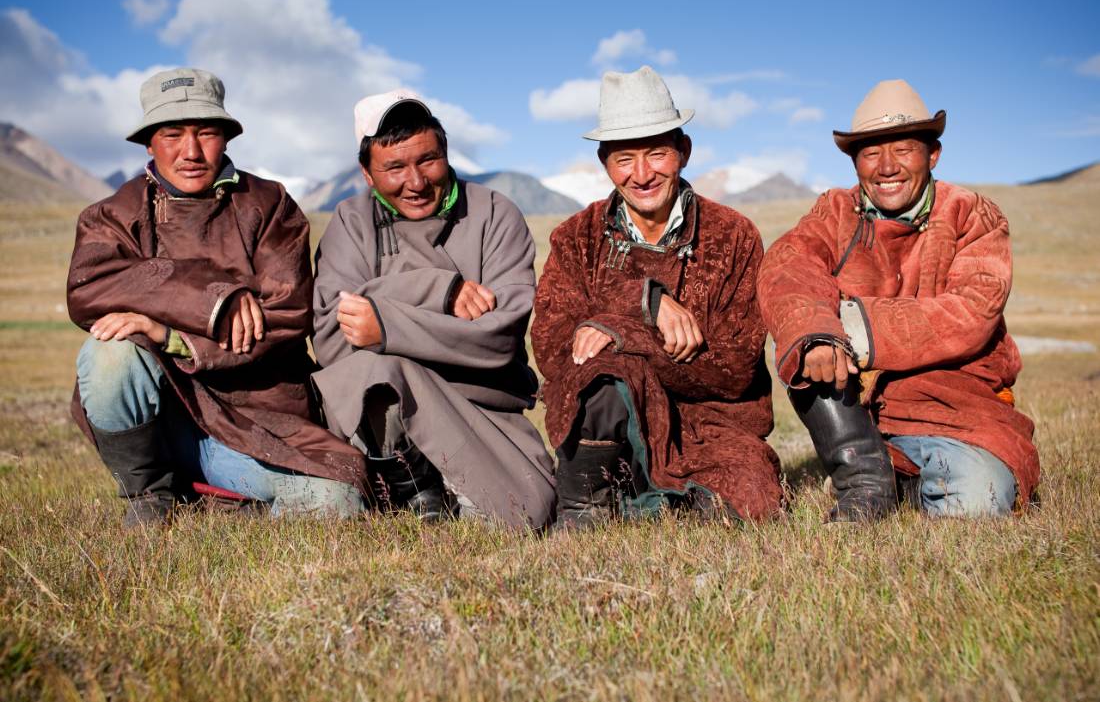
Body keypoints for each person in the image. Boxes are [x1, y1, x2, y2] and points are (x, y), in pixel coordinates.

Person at [67, 68, 366, 526]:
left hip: (256, 421)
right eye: (172, 134)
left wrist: (169, 332)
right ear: (150, 142)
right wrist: (213, 299)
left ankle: (213, 496)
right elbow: (88, 287)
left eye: (206, 132)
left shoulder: (270, 206)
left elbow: (285, 313)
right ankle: (148, 491)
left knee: (336, 504)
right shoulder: (110, 216)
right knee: (110, 352)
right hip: (162, 426)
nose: (190, 151)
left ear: (226, 138)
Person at [757, 79, 1039, 520]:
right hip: (866, 415)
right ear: (855, 162)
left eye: (903, 149)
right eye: (871, 153)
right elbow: (787, 265)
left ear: (933, 154)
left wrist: (854, 325)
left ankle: (910, 481)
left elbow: (970, 312)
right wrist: (815, 330)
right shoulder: (835, 211)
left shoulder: (972, 215)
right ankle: (867, 484)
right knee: (805, 337)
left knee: (975, 508)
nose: (886, 166)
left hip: (956, 409)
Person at [531, 66, 781, 528]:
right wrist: (642, 303)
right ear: (605, 162)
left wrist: (621, 329)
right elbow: (553, 350)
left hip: (710, 424)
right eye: (625, 159)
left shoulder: (734, 236)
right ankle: (586, 508)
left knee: (754, 502)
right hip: (612, 427)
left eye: (657, 154)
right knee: (601, 371)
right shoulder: (575, 239)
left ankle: (645, 501)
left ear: (683, 152)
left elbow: (735, 367)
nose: (642, 174)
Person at [310, 90, 554, 529]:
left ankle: (444, 486)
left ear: (445, 152)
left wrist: (383, 323)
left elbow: (498, 339)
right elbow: (332, 338)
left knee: (527, 512)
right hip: (383, 418)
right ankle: (410, 489)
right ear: (367, 173)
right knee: (374, 373)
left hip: (479, 408)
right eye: (394, 167)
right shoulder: (349, 222)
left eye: (428, 160)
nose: (416, 182)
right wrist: (439, 290)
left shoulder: (496, 214)